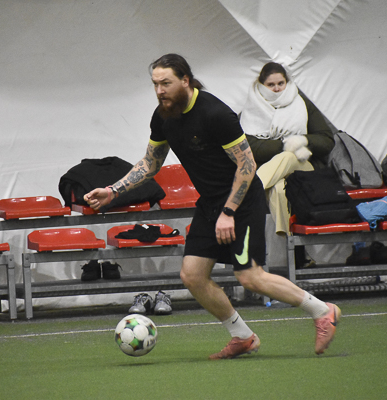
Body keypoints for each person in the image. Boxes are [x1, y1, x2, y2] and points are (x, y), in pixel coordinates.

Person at [84, 54, 340, 359]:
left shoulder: (215, 113)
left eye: (166, 83)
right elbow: (151, 163)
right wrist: (112, 191)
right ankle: (242, 336)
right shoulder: (163, 116)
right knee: (192, 275)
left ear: (185, 80)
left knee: (250, 276)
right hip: (210, 204)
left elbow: (247, 165)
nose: (160, 90)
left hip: (242, 202)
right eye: (155, 84)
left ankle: (323, 311)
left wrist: (229, 212)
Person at [240, 62, 335, 238]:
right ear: (261, 85)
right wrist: (285, 144)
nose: (277, 88)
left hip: (304, 167)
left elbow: (326, 140)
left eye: (280, 83)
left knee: (289, 157)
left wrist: (302, 140)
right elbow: (249, 147)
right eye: (271, 85)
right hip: (273, 173)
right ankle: (291, 245)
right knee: (278, 189)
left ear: (287, 82)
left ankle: (246, 193)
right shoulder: (251, 109)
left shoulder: (301, 103)